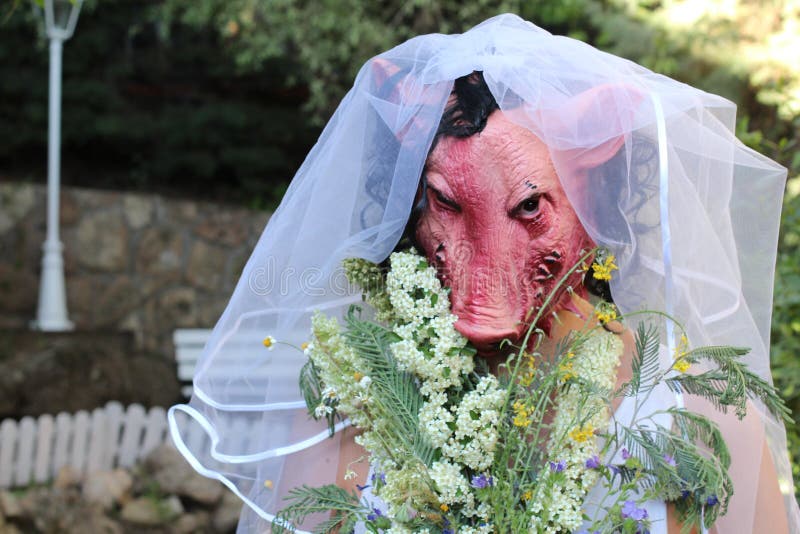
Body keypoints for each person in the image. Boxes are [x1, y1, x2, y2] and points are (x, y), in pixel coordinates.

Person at [168, 14, 799, 533]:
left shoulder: (705, 418)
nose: (484, 275)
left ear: (595, 206)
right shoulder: (349, 412)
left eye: (530, 207)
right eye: (445, 203)